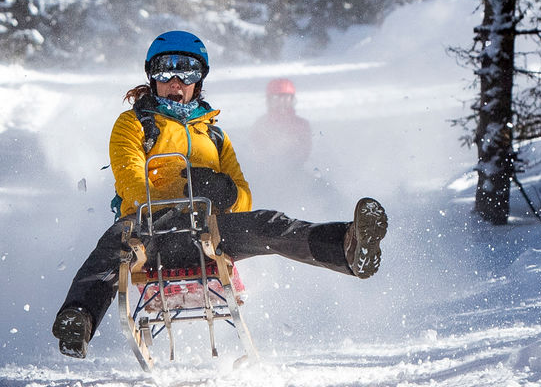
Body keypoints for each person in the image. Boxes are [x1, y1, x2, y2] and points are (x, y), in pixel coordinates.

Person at [51, 30, 387, 358]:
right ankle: (77, 319)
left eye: (187, 72)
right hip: (151, 232)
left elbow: (244, 197)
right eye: (166, 70)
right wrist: (168, 204)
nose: (175, 82)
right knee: (115, 242)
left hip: (206, 232)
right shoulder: (134, 123)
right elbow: (130, 179)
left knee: (268, 223)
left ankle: (347, 247)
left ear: (199, 79)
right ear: (152, 77)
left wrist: (224, 193)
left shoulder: (214, 135)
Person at [250, 77, 312, 170]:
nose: (282, 102)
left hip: (296, 169)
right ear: (269, 100)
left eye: (286, 97)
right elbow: (255, 151)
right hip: (266, 170)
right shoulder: (261, 124)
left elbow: (304, 150)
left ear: (292, 99)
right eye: (277, 98)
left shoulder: (301, 124)